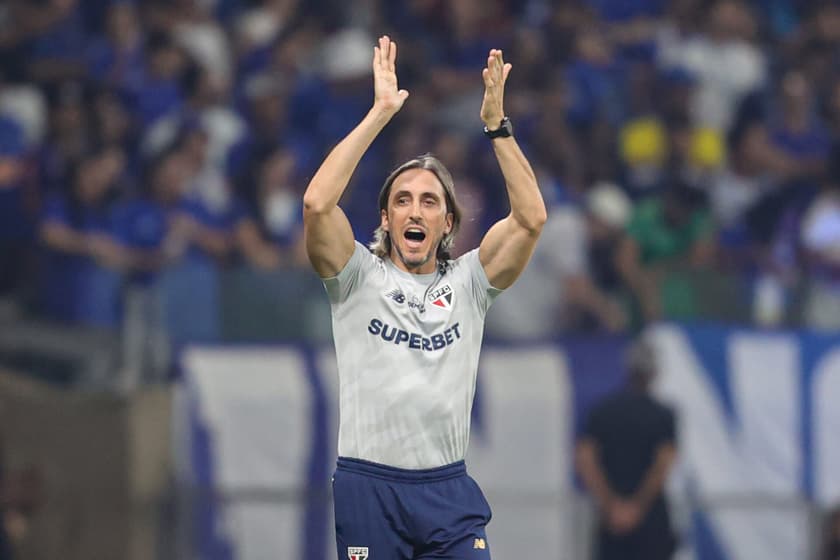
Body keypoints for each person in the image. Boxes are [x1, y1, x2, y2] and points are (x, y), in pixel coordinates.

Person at [302, 36, 546, 559]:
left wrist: (497, 128)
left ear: (448, 222)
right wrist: (379, 115)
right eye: (403, 200)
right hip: (369, 486)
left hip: (446, 492)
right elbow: (318, 205)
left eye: (430, 201)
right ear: (386, 218)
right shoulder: (356, 277)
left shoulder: (470, 282)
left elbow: (530, 220)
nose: (415, 210)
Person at [575, 337, 678, 560]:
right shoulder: (663, 415)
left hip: (610, 521)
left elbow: (585, 459)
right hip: (651, 521)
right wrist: (637, 507)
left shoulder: (601, 411)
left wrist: (611, 505)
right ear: (654, 373)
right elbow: (663, 464)